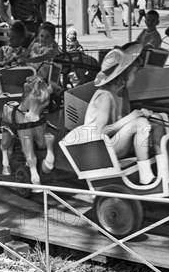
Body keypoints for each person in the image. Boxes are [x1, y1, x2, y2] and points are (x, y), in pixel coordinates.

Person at [62, 44, 156, 184]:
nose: (136, 76)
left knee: (156, 119)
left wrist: (140, 114)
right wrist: (133, 117)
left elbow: (121, 121)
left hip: (109, 144)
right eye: (135, 72)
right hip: (97, 150)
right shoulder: (105, 96)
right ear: (122, 74)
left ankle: (161, 168)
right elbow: (101, 132)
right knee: (140, 123)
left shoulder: (120, 93)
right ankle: (146, 176)